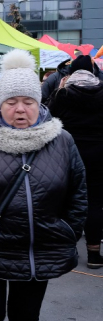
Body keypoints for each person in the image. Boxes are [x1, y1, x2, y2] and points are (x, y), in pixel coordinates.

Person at [0, 49, 87, 321]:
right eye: (11, 102)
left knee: (25, 320)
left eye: (28, 102)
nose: (20, 109)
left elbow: (78, 191)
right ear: (0, 104)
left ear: (39, 104)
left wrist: (67, 229)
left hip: (39, 249)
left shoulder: (62, 140)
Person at [47, 54, 103, 269]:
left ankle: (63, 250)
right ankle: (94, 254)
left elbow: (48, 117)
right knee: (95, 203)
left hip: (67, 152)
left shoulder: (64, 93)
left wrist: (58, 90)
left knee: (65, 201)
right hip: (98, 153)